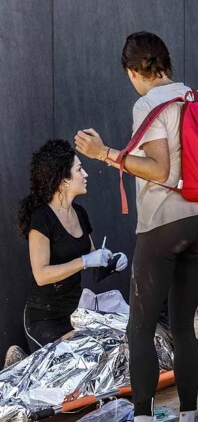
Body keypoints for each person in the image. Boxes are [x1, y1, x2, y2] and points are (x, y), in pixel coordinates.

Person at [75, 32, 198, 422]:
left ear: (133, 71)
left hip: (163, 224)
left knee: (139, 326)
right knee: (184, 325)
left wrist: (104, 153)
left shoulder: (148, 103)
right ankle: (188, 416)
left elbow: (160, 169)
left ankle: (142, 418)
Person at [16, 140, 127, 353]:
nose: (86, 174)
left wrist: (111, 262)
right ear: (63, 180)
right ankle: (19, 362)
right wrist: (84, 261)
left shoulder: (80, 213)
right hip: (44, 319)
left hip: (75, 315)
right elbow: (41, 275)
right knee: (64, 371)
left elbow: (94, 265)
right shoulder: (42, 219)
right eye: (79, 169)